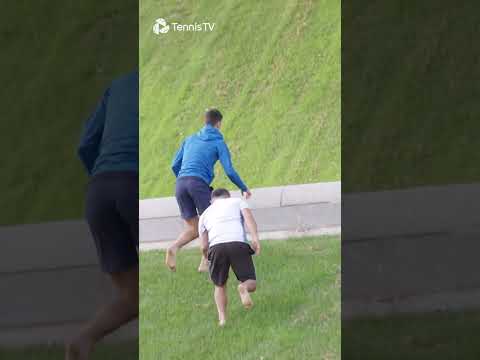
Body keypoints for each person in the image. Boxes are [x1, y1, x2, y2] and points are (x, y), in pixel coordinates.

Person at [66, 71, 139, 360]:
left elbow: (85, 145)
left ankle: (83, 340)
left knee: (133, 297)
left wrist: (104, 179)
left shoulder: (118, 85)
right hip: (132, 184)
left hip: (99, 190)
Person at [166, 108, 251, 272]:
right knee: (211, 223)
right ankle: (205, 261)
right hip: (197, 184)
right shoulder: (218, 143)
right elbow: (230, 170)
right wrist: (243, 187)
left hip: (180, 184)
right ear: (218, 124)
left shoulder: (190, 139)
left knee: (194, 227)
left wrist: (184, 178)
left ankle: (174, 248)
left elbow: (174, 165)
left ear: (205, 122)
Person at [199, 188, 260, 326]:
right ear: (228, 196)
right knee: (251, 282)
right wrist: (255, 238)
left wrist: (207, 258)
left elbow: (203, 246)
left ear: (212, 200)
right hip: (237, 243)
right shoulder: (238, 201)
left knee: (219, 285)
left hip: (215, 247)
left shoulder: (205, 213)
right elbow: (249, 218)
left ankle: (222, 319)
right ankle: (243, 287)